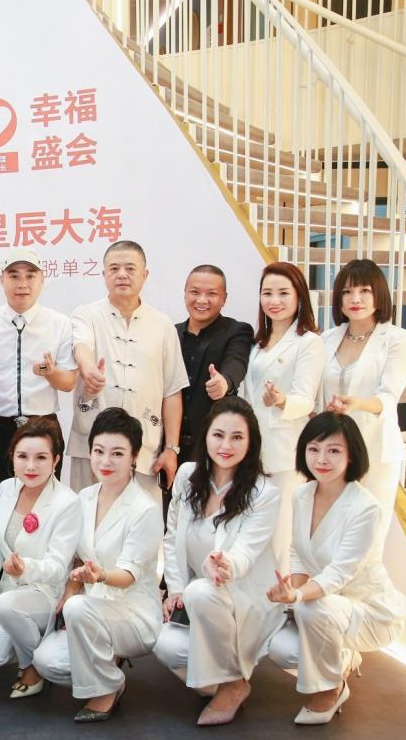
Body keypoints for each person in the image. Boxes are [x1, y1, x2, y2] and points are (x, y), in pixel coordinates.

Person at [266, 413, 406, 724]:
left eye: (333, 450)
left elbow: (339, 573)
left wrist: (297, 597)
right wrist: (294, 593)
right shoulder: (302, 494)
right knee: (281, 648)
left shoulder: (365, 507)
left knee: (313, 608)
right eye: (314, 449)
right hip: (324, 607)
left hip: (368, 611)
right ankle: (342, 657)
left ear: (351, 456)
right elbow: (298, 552)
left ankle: (331, 689)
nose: (322, 459)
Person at [152, 397, 284, 726]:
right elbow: (172, 537)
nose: (226, 446)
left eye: (237, 437)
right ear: (206, 435)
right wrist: (176, 589)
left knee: (200, 591)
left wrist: (225, 565)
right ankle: (218, 676)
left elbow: (246, 552)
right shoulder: (187, 475)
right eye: (219, 435)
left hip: (243, 595)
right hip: (200, 596)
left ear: (251, 442)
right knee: (164, 644)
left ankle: (234, 685)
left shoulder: (264, 493)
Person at [30, 408, 164, 722]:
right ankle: (107, 662)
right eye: (99, 451)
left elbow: (129, 575)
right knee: (47, 661)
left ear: (134, 457)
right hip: (92, 609)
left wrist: (100, 576)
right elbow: (76, 556)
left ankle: (108, 689)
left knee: (77, 608)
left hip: (133, 613)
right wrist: (72, 588)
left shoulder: (144, 508)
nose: (105, 461)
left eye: (117, 453)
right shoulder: (84, 498)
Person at [69, 240, 186, 501]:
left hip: (145, 450)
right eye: (114, 269)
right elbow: (81, 346)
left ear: (145, 274)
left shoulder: (163, 325)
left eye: (130, 269)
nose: (122, 274)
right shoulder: (86, 314)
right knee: (87, 517)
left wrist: (171, 448)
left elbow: (172, 390)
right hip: (91, 443)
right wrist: (88, 369)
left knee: (142, 518)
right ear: (103, 274)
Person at [0, 419, 81, 690]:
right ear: (12, 457)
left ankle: (32, 664)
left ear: (56, 460)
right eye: (23, 457)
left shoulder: (67, 502)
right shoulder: (6, 488)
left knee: (6, 605)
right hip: (8, 590)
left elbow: (58, 567)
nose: (31, 466)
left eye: (41, 457)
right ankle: (26, 639)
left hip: (46, 591)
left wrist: (25, 568)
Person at [317, 259, 406, 537]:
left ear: (379, 294)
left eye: (364, 291)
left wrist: (357, 403)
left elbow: (388, 396)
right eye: (347, 292)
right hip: (332, 451)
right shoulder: (326, 339)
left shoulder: (397, 338)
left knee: (367, 538)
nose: (355, 299)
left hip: (375, 450)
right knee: (329, 536)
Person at [0, 248, 77, 493]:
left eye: (30, 275)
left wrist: (51, 373)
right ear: (2, 279)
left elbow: (69, 382)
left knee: (45, 504)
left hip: (44, 428)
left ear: (42, 280)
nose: (22, 284)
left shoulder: (59, 323)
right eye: (14, 276)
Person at [244, 262, 325, 570]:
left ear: (299, 296)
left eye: (283, 293)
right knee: (253, 531)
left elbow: (306, 399)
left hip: (285, 451)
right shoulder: (256, 343)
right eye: (267, 293)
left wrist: (281, 401)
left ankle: (284, 592)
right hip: (252, 449)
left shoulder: (308, 342)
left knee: (281, 535)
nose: (274, 301)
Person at [173, 264, 254, 467]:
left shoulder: (238, 331)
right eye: (195, 292)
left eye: (211, 294)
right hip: (171, 447)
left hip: (216, 448)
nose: (202, 300)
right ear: (184, 294)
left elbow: (237, 361)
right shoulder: (170, 333)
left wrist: (224, 382)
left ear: (224, 298)